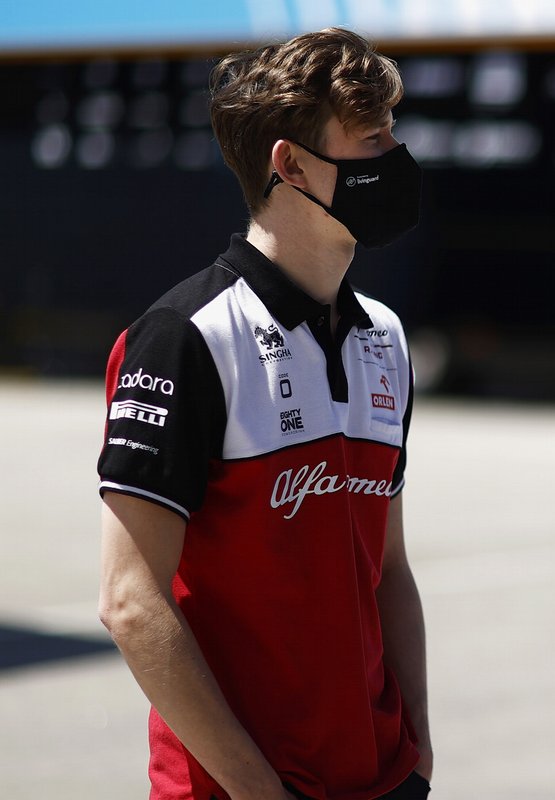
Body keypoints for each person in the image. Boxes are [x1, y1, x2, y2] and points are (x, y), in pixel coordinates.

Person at [97, 28, 431, 800]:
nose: (396, 157)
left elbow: (388, 568)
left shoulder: (384, 335)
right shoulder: (183, 338)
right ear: (290, 164)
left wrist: (416, 750)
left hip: (382, 780)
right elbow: (130, 601)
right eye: (372, 138)